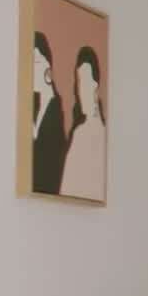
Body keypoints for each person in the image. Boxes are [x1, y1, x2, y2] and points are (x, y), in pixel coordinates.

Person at [61, 45, 106, 202]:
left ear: (96, 85)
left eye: (86, 81)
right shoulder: (79, 132)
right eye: (80, 81)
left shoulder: (98, 135)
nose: (81, 89)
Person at [28, 32, 69, 194]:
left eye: (36, 62)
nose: (32, 71)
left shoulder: (55, 109)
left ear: (47, 65)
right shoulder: (33, 107)